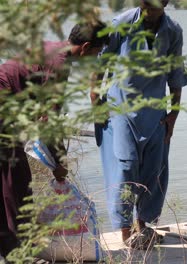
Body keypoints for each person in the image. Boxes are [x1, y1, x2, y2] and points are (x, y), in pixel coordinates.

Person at [0, 21, 108, 258]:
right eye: (96, 52)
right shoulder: (59, 65)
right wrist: (59, 162)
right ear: (86, 47)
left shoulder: (58, 51)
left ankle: (16, 248)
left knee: (14, 180)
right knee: (13, 182)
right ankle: (15, 252)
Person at [95, 0, 187, 248]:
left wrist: (174, 114)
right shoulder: (121, 24)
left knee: (154, 169)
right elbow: (101, 64)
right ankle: (126, 232)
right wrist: (95, 100)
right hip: (122, 107)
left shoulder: (173, 30)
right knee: (126, 167)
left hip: (155, 110)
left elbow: (175, 74)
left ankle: (143, 226)